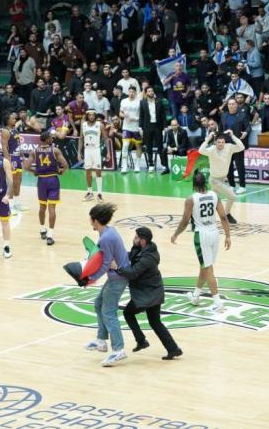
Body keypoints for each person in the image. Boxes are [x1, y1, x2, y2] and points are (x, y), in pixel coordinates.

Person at [116, 227, 183, 360]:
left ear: (143, 241)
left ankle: (141, 340)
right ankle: (173, 349)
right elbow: (130, 256)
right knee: (155, 322)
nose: (133, 239)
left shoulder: (148, 257)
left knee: (128, 313)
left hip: (148, 294)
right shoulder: (142, 250)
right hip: (153, 291)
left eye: (136, 237)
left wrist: (117, 268)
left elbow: (133, 273)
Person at [171, 172, 232, 313]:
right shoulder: (214, 195)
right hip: (215, 233)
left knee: (208, 268)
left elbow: (185, 221)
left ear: (193, 184)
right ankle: (196, 296)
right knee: (205, 266)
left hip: (201, 235)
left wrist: (175, 234)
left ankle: (217, 302)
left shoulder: (191, 199)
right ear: (206, 183)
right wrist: (228, 236)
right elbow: (223, 217)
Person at [84, 202, 131, 367]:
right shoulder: (108, 231)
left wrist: (90, 279)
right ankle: (101, 340)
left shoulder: (106, 237)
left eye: (91, 219)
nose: (90, 221)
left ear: (95, 220)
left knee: (109, 312)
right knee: (98, 304)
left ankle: (119, 349)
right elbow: (105, 259)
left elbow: (104, 265)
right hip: (116, 275)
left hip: (118, 278)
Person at [24, 130, 68, 245]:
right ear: (47, 139)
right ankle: (50, 235)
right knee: (52, 208)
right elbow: (66, 165)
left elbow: (26, 166)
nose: (52, 139)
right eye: (51, 138)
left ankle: (42, 229)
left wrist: (35, 171)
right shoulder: (55, 150)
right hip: (53, 180)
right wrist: (61, 171)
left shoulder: (34, 151)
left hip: (41, 181)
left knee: (42, 207)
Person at [199, 123, 244, 224]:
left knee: (213, 200)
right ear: (215, 142)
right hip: (214, 179)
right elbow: (200, 150)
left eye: (222, 142)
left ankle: (202, 217)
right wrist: (207, 139)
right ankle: (227, 214)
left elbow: (241, 147)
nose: (221, 144)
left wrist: (233, 136)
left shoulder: (229, 147)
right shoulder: (211, 149)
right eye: (219, 142)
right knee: (232, 196)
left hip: (223, 178)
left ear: (225, 142)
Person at [220, 98, 251, 195]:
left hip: (237, 145)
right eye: (230, 104)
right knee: (228, 166)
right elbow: (221, 129)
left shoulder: (242, 115)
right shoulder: (224, 115)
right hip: (227, 145)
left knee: (239, 166)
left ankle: (242, 186)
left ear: (236, 105)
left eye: (233, 104)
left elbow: (248, 127)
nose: (231, 105)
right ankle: (232, 185)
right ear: (227, 105)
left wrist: (246, 132)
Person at [79, 110, 110, 201]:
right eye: (90, 115)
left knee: (98, 171)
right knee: (88, 172)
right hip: (87, 150)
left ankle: (99, 194)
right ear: (87, 116)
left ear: (95, 116)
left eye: (93, 115)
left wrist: (108, 152)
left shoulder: (100, 125)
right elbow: (81, 139)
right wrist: (78, 152)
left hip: (96, 150)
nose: (91, 116)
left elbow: (106, 138)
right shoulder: (84, 125)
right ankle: (90, 192)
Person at [0, 112, 27, 214]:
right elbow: (4, 147)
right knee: (11, 183)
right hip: (11, 158)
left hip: (17, 158)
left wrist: (23, 156)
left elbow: (18, 144)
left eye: (15, 118)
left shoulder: (15, 130)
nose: (15, 120)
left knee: (18, 181)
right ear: (7, 120)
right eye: (12, 119)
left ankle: (17, 203)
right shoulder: (5, 131)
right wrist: (8, 161)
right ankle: (9, 205)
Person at [138, 86, 166, 173]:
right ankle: (151, 164)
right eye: (149, 91)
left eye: (152, 91)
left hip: (157, 126)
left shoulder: (159, 101)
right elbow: (141, 116)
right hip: (147, 127)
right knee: (148, 146)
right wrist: (140, 127)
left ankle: (163, 164)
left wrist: (164, 128)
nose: (151, 92)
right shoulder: (142, 102)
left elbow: (163, 116)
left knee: (160, 146)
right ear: (146, 93)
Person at [119, 86, 142, 173]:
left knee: (138, 146)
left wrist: (136, 119)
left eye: (133, 91)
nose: (131, 93)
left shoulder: (139, 102)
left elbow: (142, 114)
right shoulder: (123, 101)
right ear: (128, 92)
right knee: (125, 145)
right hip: (126, 127)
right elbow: (120, 113)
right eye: (130, 91)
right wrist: (124, 115)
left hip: (136, 127)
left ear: (135, 93)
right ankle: (124, 166)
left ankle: (137, 165)